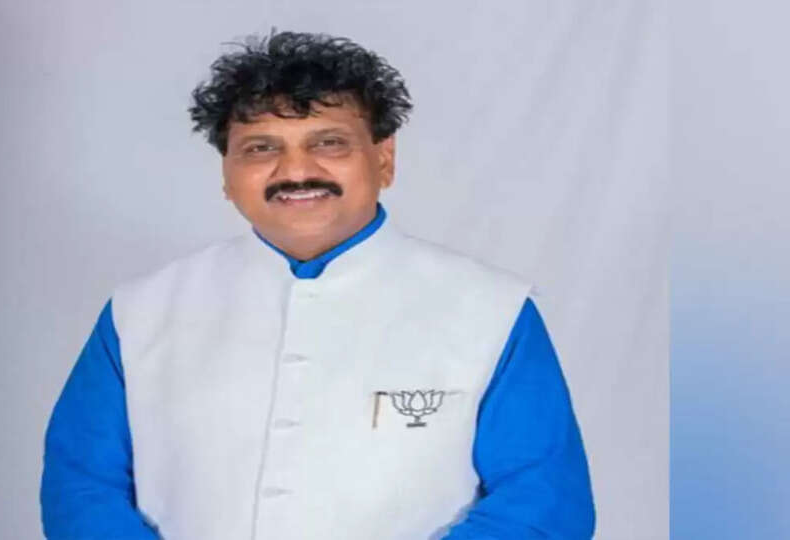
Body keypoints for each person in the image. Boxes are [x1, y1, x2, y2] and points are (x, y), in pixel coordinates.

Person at [40, 30, 594, 540]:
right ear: (226, 174)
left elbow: (542, 505)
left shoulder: (491, 310)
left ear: (384, 160)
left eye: (329, 143)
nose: (296, 170)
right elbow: (82, 487)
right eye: (261, 148)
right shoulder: (140, 312)